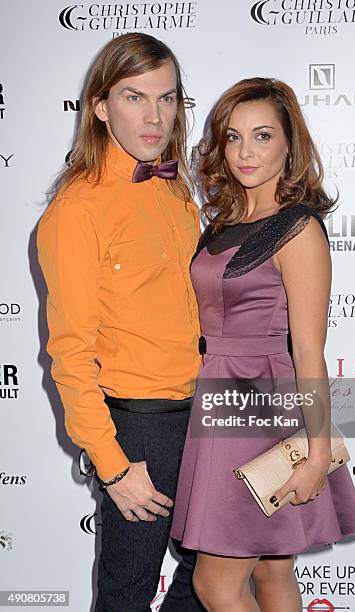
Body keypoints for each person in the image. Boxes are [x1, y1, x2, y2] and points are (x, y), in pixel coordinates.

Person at [170, 77, 355, 612]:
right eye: (233, 138)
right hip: (218, 402)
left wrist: (317, 454)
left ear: (289, 144)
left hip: (260, 410)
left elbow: (307, 351)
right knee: (273, 579)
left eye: (262, 136)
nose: (245, 152)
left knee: (215, 585)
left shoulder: (297, 230)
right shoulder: (224, 223)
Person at [37, 33, 205, 612]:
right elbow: (69, 352)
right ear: (101, 107)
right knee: (126, 595)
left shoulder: (176, 188)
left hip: (204, 412)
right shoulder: (76, 209)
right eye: (135, 97)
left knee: (214, 573)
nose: (154, 116)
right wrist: (113, 468)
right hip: (140, 428)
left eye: (167, 98)